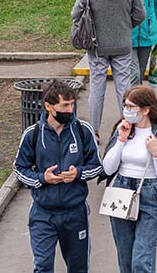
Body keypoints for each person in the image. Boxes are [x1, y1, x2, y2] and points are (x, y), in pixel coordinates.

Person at [13, 79, 104, 273]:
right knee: (43, 266)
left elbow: (97, 166)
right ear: (48, 106)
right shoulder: (33, 134)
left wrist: (78, 174)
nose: (70, 110)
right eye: (64, 105)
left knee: (78, 268)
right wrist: (42, 179)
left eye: (72, 104)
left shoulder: (82, 130)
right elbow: (20, 169)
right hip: (43, 214)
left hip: (75, 213)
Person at [101, 85, 157, 273]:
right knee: (126, 259)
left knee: (141, 260)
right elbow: (108, 168)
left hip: (149, 193)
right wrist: (121, 139)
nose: (126, 111)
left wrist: (156, 154)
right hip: (121, 190)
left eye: (131, 107)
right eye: (125, 106)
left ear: (145, 110)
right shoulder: (123, 130)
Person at [73, 0, 147, 132]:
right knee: (124, 89)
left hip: (97, 46)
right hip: (122, 45)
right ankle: (127, 127)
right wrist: (125, 26)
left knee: (97, 89)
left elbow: (76, 13)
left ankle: (94, 131)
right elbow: (140, 14)